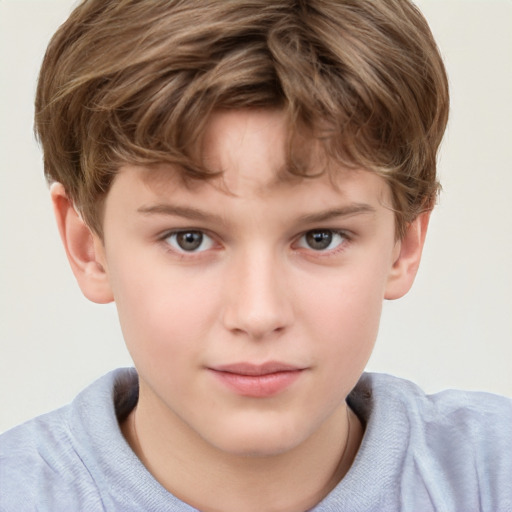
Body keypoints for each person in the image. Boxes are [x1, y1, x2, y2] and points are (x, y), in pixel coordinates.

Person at [0, 1, 511, 511]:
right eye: (189, 239)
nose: (258, 314)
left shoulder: (492, 472)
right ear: (89, 246)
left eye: (320, 238)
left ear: (405, 242)